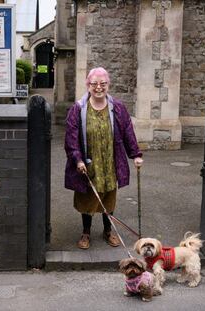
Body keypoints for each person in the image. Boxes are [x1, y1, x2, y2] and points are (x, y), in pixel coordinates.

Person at [64, 67, 143, 249]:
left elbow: (128, 133)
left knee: (108, 198)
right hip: (88, 164)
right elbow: (71, 138)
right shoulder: (78, 109)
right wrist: (78, 159)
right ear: (88, 85)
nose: (98, 87)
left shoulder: (118, 108)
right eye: (94, 84)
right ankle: (86, 232)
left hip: (110, 162)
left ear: (108, 85)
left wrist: (136, 155)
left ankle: (108, 231)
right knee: (87, 198)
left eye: (103, 83)